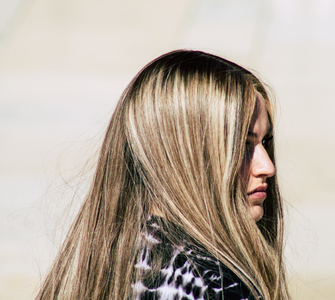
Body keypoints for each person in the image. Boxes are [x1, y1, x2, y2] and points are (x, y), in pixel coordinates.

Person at [36, 50, 290, 300]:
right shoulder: (216, 285)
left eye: (264, 142)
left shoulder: (113, 264)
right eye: (243, 145)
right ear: (184, 155)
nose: (267, 167)